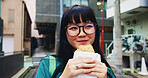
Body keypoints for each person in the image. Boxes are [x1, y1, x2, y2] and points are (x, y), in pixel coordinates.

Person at [36, 5, 116, 78]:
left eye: (88, 26)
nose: (82, 34)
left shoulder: (105, 71)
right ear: (65, 33)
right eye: (73, 28)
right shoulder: (48, 64)